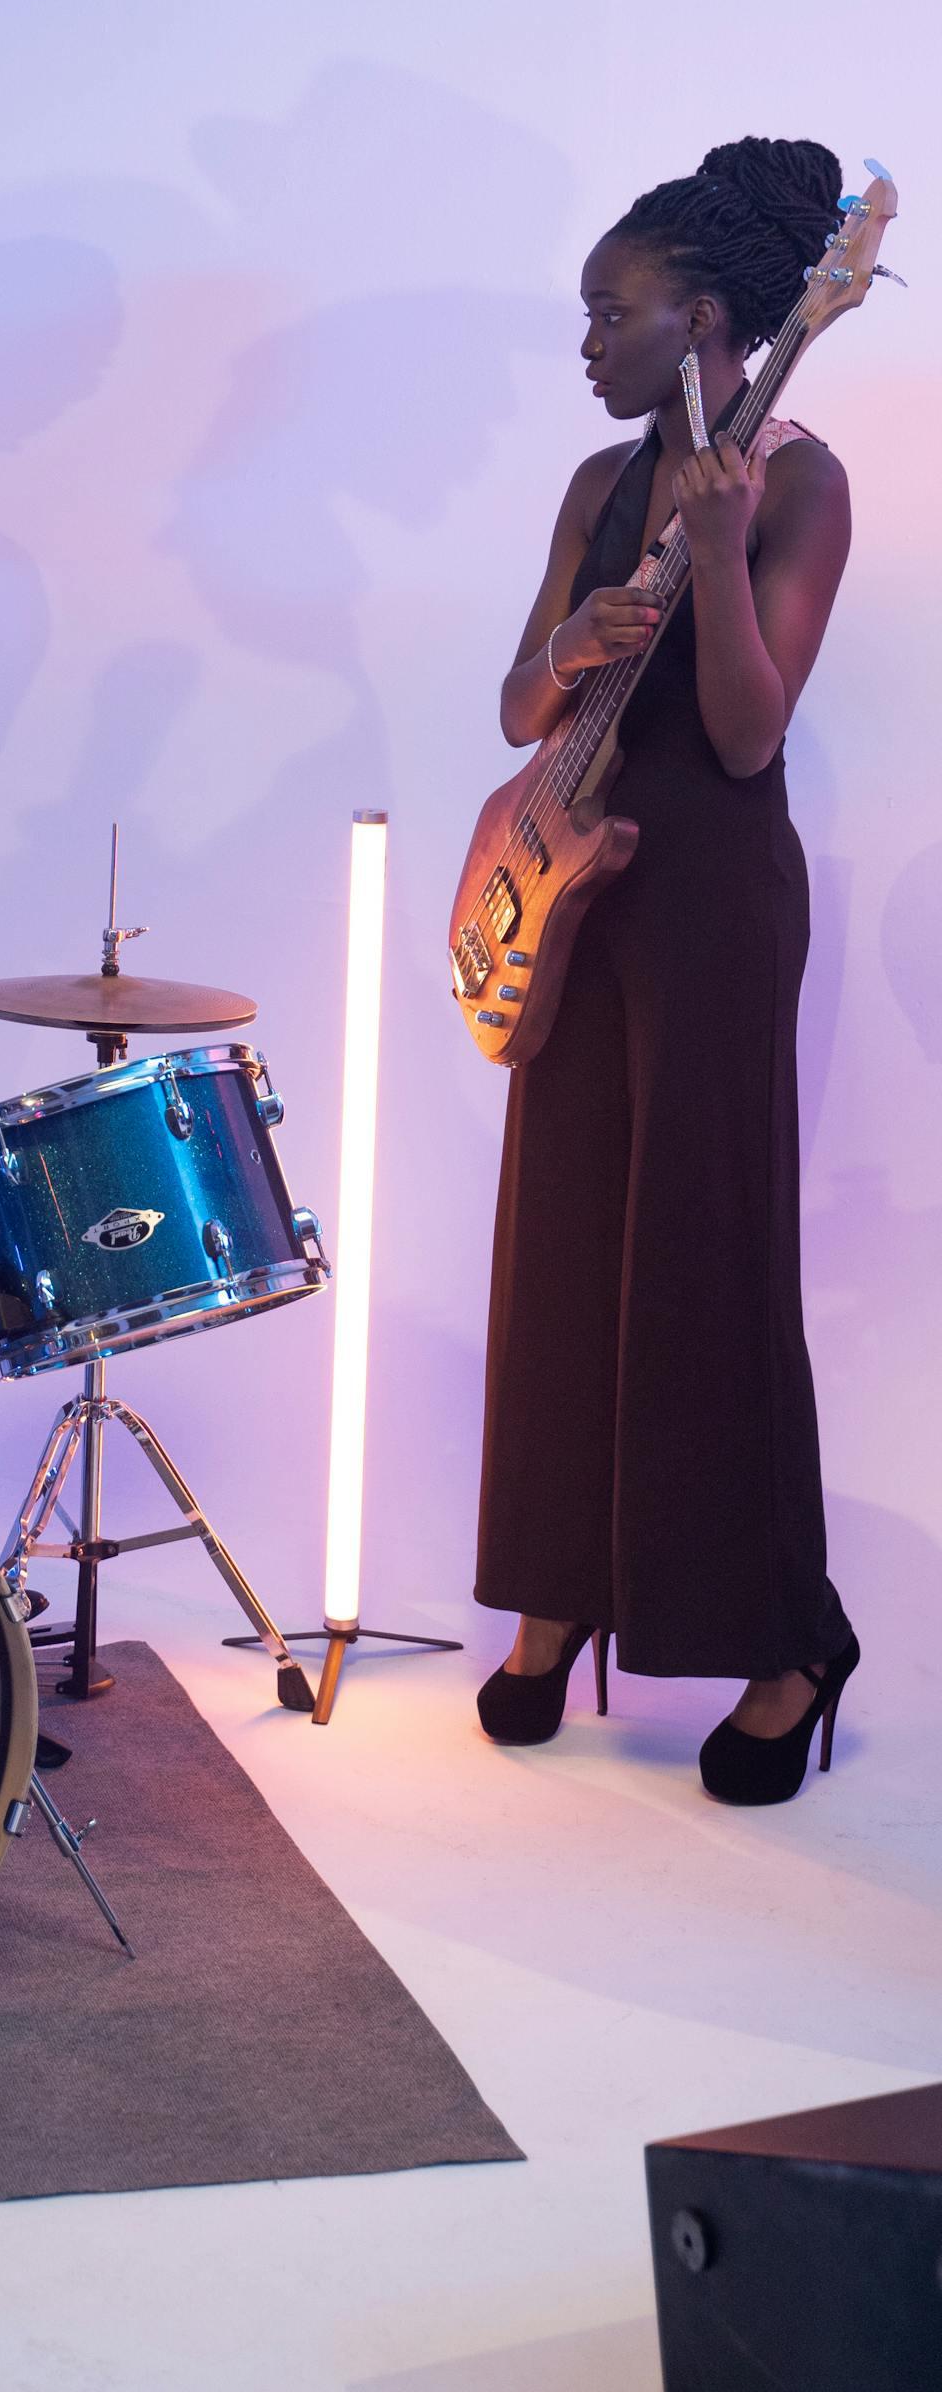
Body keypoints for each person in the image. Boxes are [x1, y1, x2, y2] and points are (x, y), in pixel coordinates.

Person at [474, 136, 858, 1804]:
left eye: (609, 311)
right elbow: (515, 709)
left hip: (710, 899)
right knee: (559, 1240)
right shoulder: (594, 484)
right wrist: (572, 644)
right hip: (576, 891)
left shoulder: (798, 479)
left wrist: (711, 566)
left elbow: (747, 733)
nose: (585, 339)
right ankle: (565, 1593)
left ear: (702, 317)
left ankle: (789, 1641)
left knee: (703, 1257)